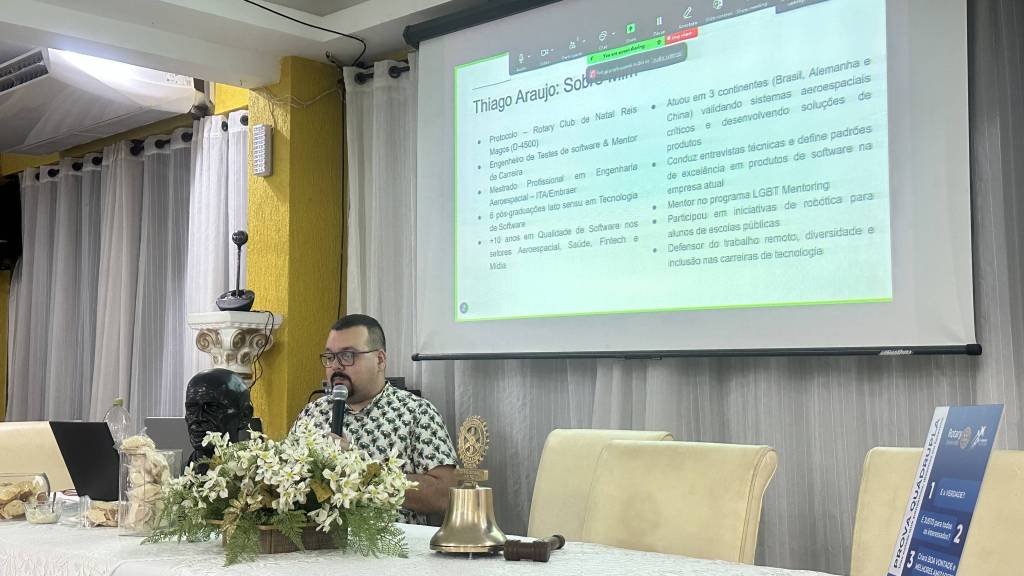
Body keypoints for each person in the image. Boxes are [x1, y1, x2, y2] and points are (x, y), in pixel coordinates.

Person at [291, 314, 458, 524]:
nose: (336, 365)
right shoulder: (312, 414)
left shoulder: (416, 413)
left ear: (380, 360)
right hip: (316, 540)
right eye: (330, 357)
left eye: (348, 355)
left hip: (390, 542)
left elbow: (445, 496)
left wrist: (362, 469)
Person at [184, 368, 254, 472]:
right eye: (191, 408)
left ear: (244, 416)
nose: (198, 418)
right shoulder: (172, 471)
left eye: (213, 408)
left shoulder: (255, 473)